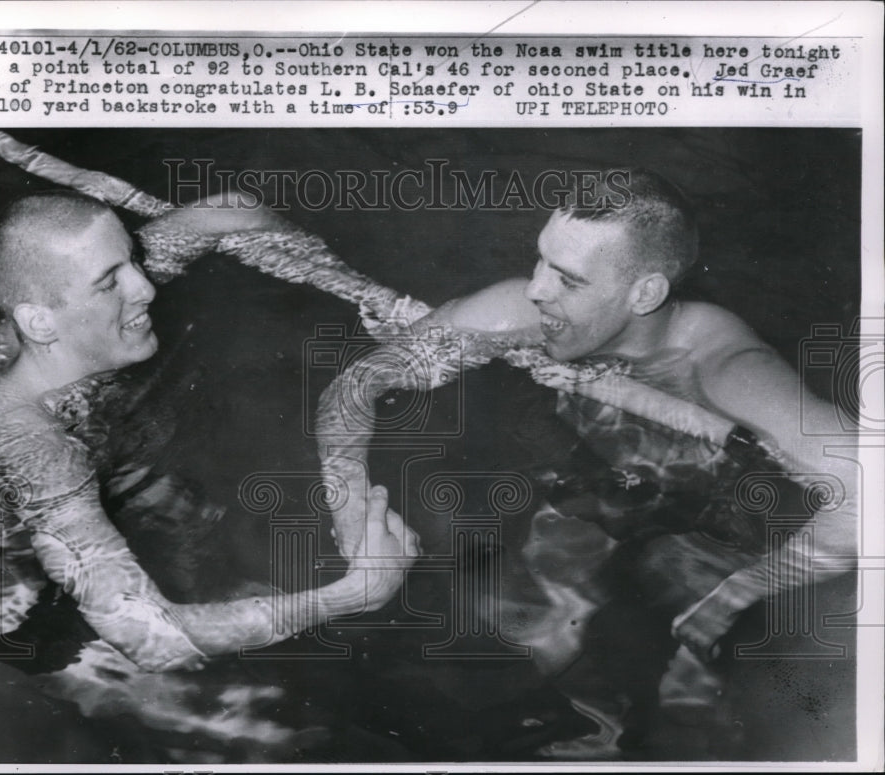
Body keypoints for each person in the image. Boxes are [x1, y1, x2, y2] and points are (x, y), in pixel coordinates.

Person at [316, 168, 857, 756]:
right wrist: (350, 518)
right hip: (586, 485)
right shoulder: (517, 310)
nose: (536, 291)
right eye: (540, 260)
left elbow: (868, 492)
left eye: (568, 279)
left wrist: (729, 599)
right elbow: (361, 384)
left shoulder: (725, 367)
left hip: (708, 523)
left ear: (645, 293)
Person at [0, 191, 420, 673]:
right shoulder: (40, 451)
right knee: (63, 644)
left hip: (74, 460)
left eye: (132, 261)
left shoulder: (41, 329)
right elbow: (155, 641)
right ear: (40, 321)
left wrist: (366, 296)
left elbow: (229, 210)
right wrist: (361, 591)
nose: (145, 287)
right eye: (109, 282)